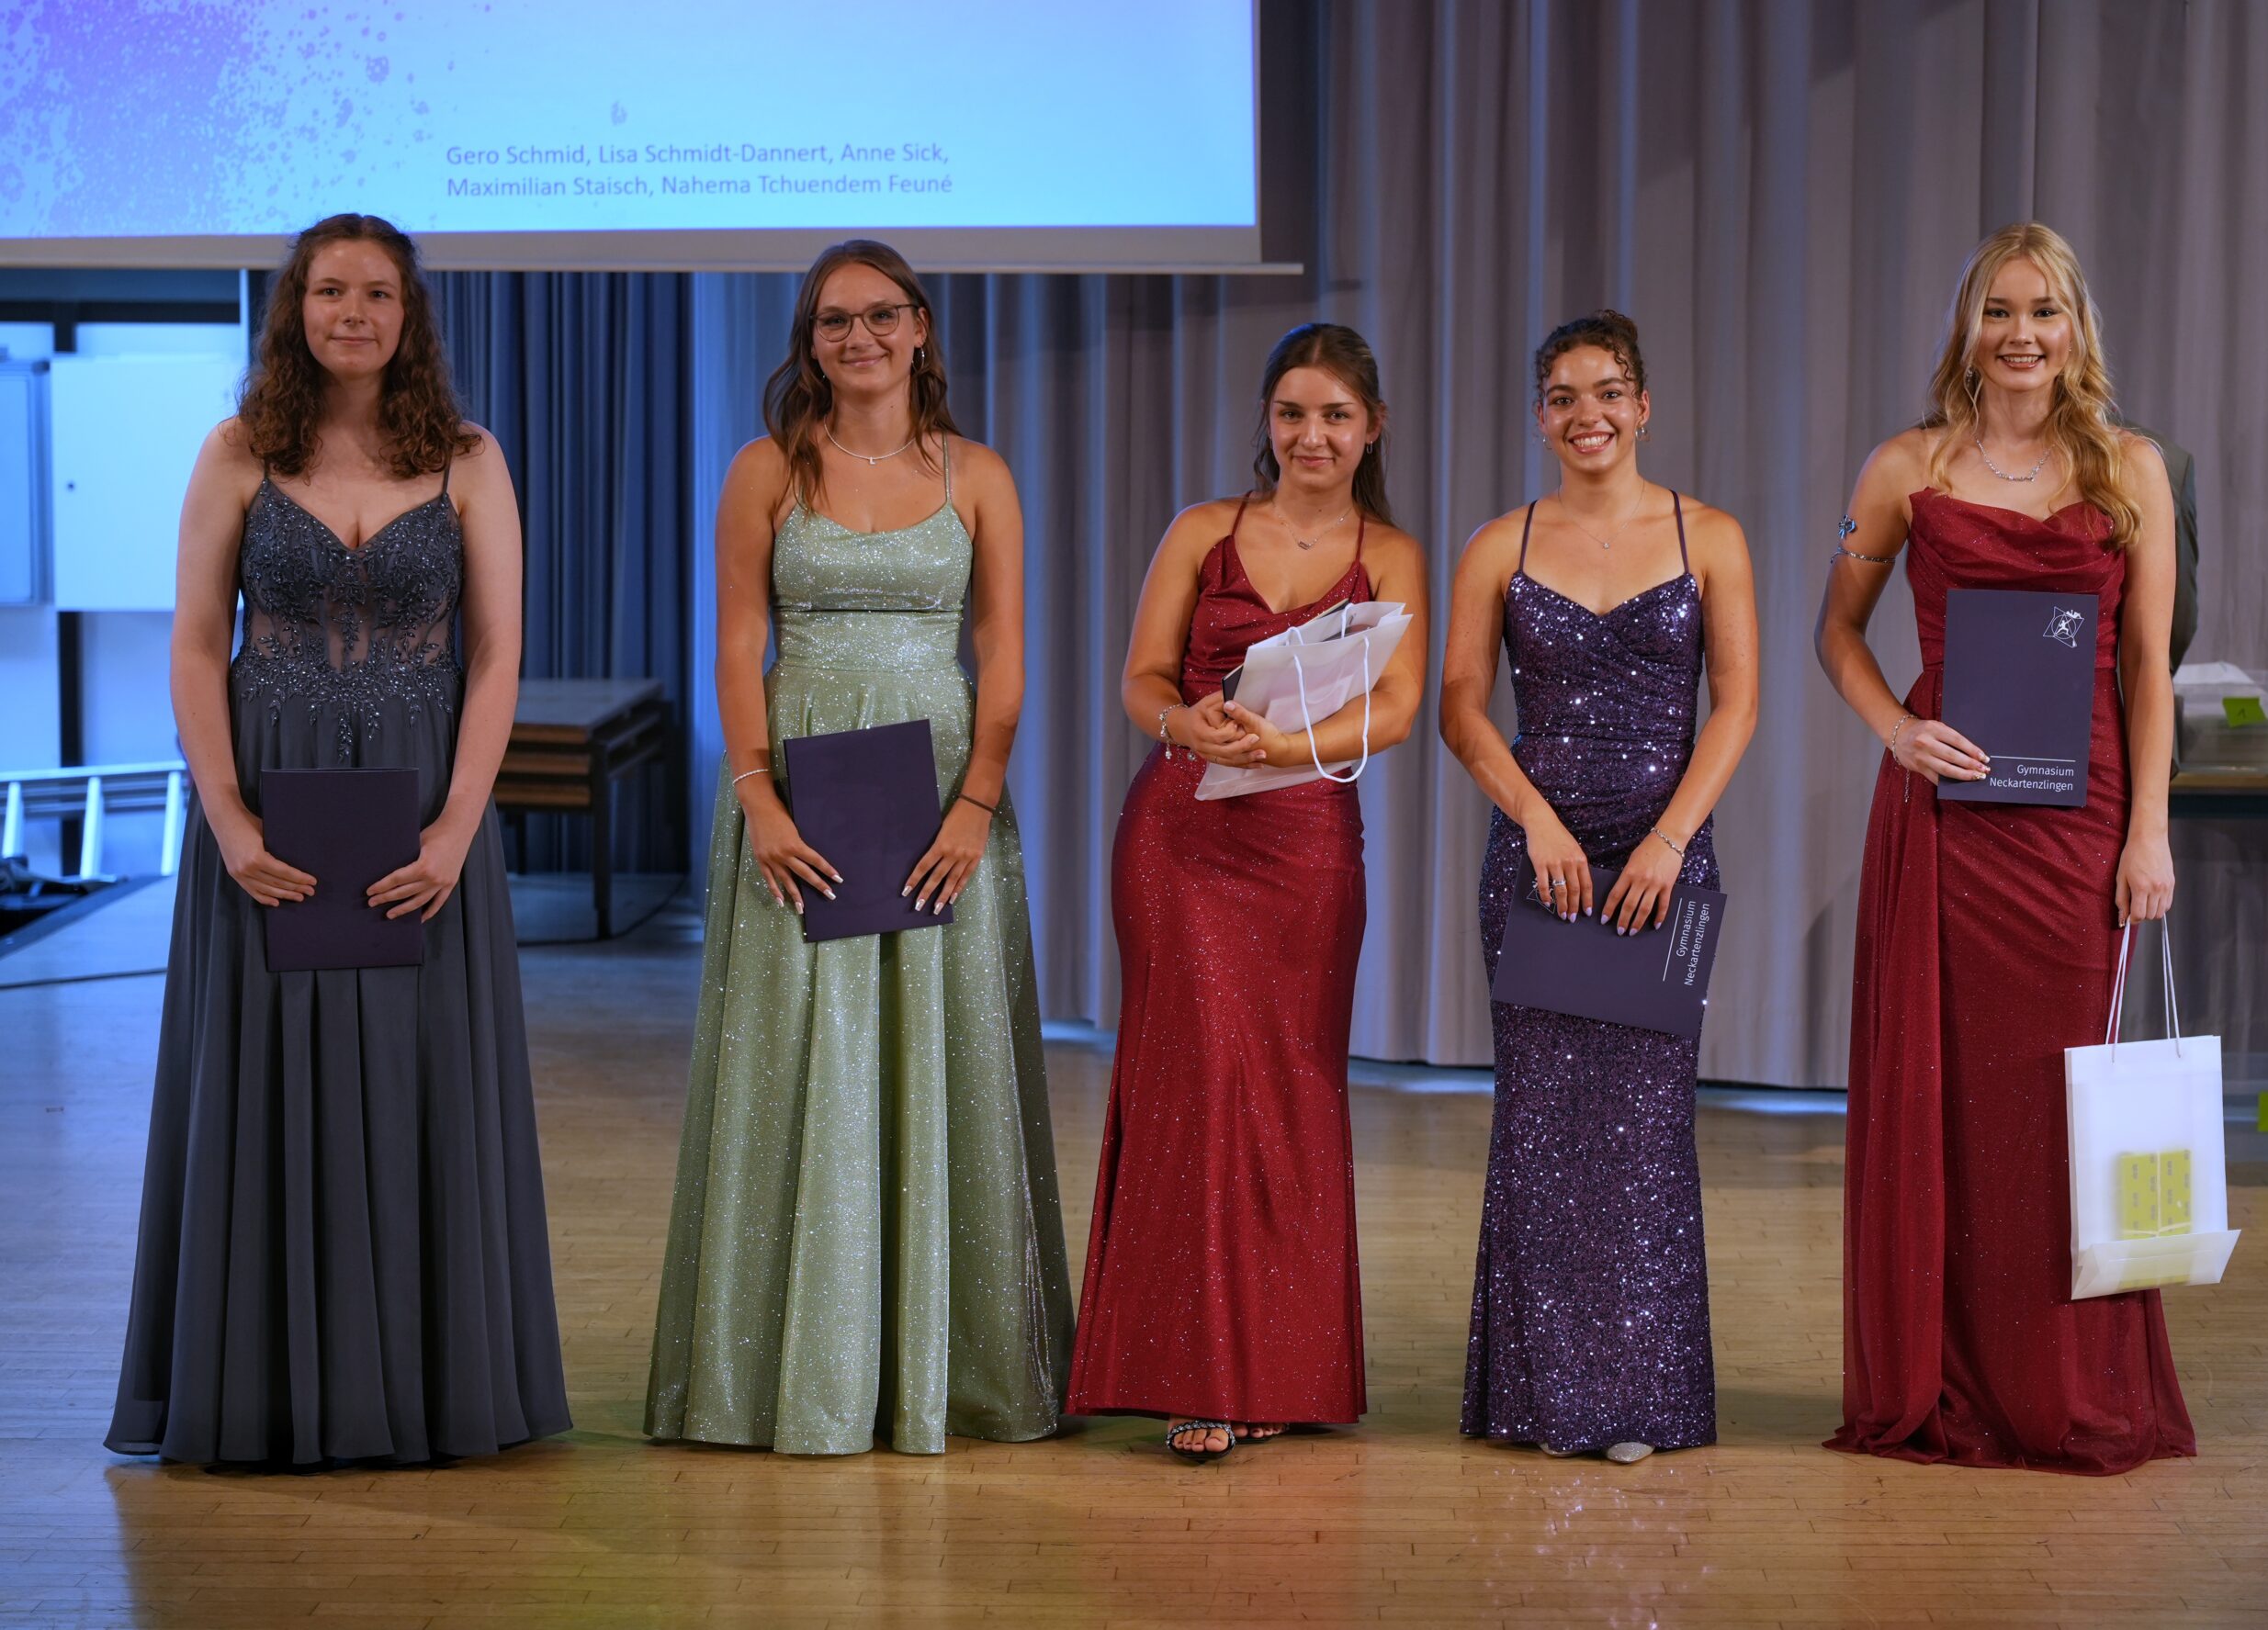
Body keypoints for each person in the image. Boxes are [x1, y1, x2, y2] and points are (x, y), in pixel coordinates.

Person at [106, 213, 570, 1467]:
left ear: (409, 315)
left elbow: (497, 652)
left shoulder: (469, 456)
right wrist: (225, 813)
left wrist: (460, 823)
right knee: (262, 1072)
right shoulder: (237, 450)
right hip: (268, 799)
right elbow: (195, 642)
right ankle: (262, 1390)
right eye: (328, 291)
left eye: (376, 293)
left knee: (423, 1073)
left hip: (425, 807)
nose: (352, 312)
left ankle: (427, 1386)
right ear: (293, 308)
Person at [645, 239, 1072, 1456]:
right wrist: (758, 798)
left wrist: (977, 801)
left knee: (944, 1060)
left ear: (921, 326)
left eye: (882, 315)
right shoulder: (764, 469)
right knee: (799, 1059)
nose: (860, 337)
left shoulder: (980, 474)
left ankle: (952, 1370)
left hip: (940, 793)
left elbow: (1004, 653)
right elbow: (738, 645)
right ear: (809, 341)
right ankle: (790, 1373)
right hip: (800, 787)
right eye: (834, 320)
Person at [1816, 221, 2192, 1474]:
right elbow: (1835, 633)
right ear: (1966, 329)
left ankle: (2065, 1385)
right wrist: (1895, 728)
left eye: (2042, 311)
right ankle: (1944, 1377)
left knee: (2060, 1104)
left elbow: (2148, 669)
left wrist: (2149, 829)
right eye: (1997, 311)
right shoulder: (1906, 465)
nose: (2020, 334)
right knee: (1950, 1102)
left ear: (2074, 328)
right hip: (1947, 831)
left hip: (2080, 829)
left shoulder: (2129, 468)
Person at [1065, 323, 1428, 1462]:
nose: (1310, 435)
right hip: (1180, 836)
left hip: (1305, 840)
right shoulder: (1201, 530)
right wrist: (1184, 720)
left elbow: (1400, 708)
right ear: (1267, 421)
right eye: (1291, 413)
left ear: (1371, 427)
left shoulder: (1393, 552)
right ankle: (1197, 1366)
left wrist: (1287, 750)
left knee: (1291, 1093)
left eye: (1334, 415)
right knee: (1197, 1087)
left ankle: (1281, 1369)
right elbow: (1140, 677)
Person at [1439, 310, 1759, 1463]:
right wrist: (1535, 819)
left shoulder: (1710, 535)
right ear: (1540, 416)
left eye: (1609, 390)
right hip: (1541, 862)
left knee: (1642, 1130)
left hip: (1663, 860)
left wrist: (1671, 838)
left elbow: (1736, 704)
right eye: (1565, 396)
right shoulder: (1499, 544)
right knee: (1541, 1124)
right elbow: (1460, 706)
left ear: (1643, 405)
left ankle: (1639, 1400)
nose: (1589, 413)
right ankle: (1543, 1397)